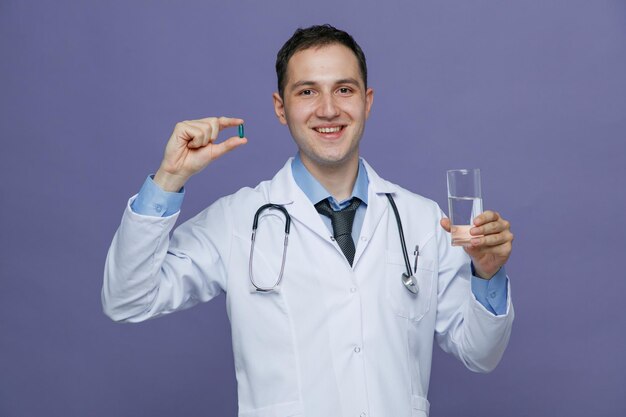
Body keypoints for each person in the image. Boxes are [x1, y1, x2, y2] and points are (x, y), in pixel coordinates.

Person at [103, 24, 514, 417]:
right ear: (281, 108)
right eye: (307, 92)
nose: (329, 109)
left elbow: (480, 353)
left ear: (367, 101)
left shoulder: (422, 220)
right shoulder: (238, 220)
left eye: (344, 89)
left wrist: (487, 274)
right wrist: (168, 179)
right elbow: (128, 298)